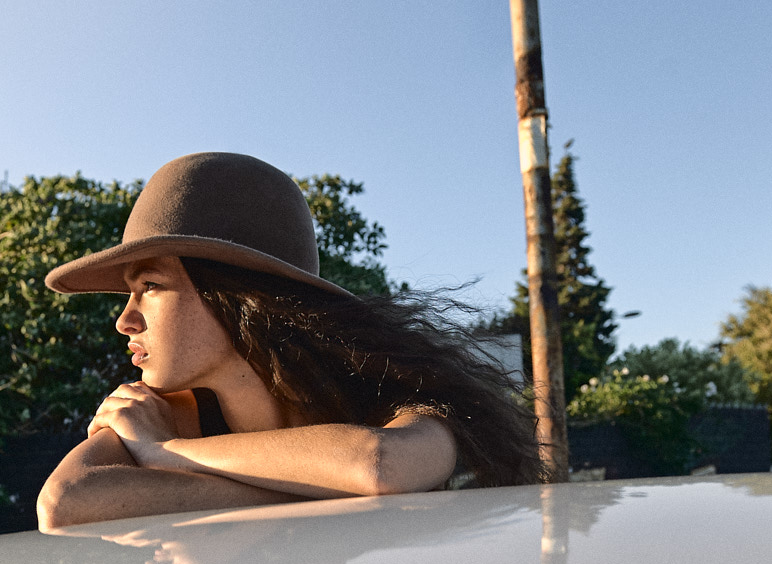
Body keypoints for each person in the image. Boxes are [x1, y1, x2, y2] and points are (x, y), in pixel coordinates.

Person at [37, 152, 539, 530]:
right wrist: (310, 499)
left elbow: (379, 464)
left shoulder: (392, 397)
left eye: (149, 287)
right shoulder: (162, 412)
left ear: (234, 295)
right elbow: (65, 504)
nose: (125, 319)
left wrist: (168, 453)